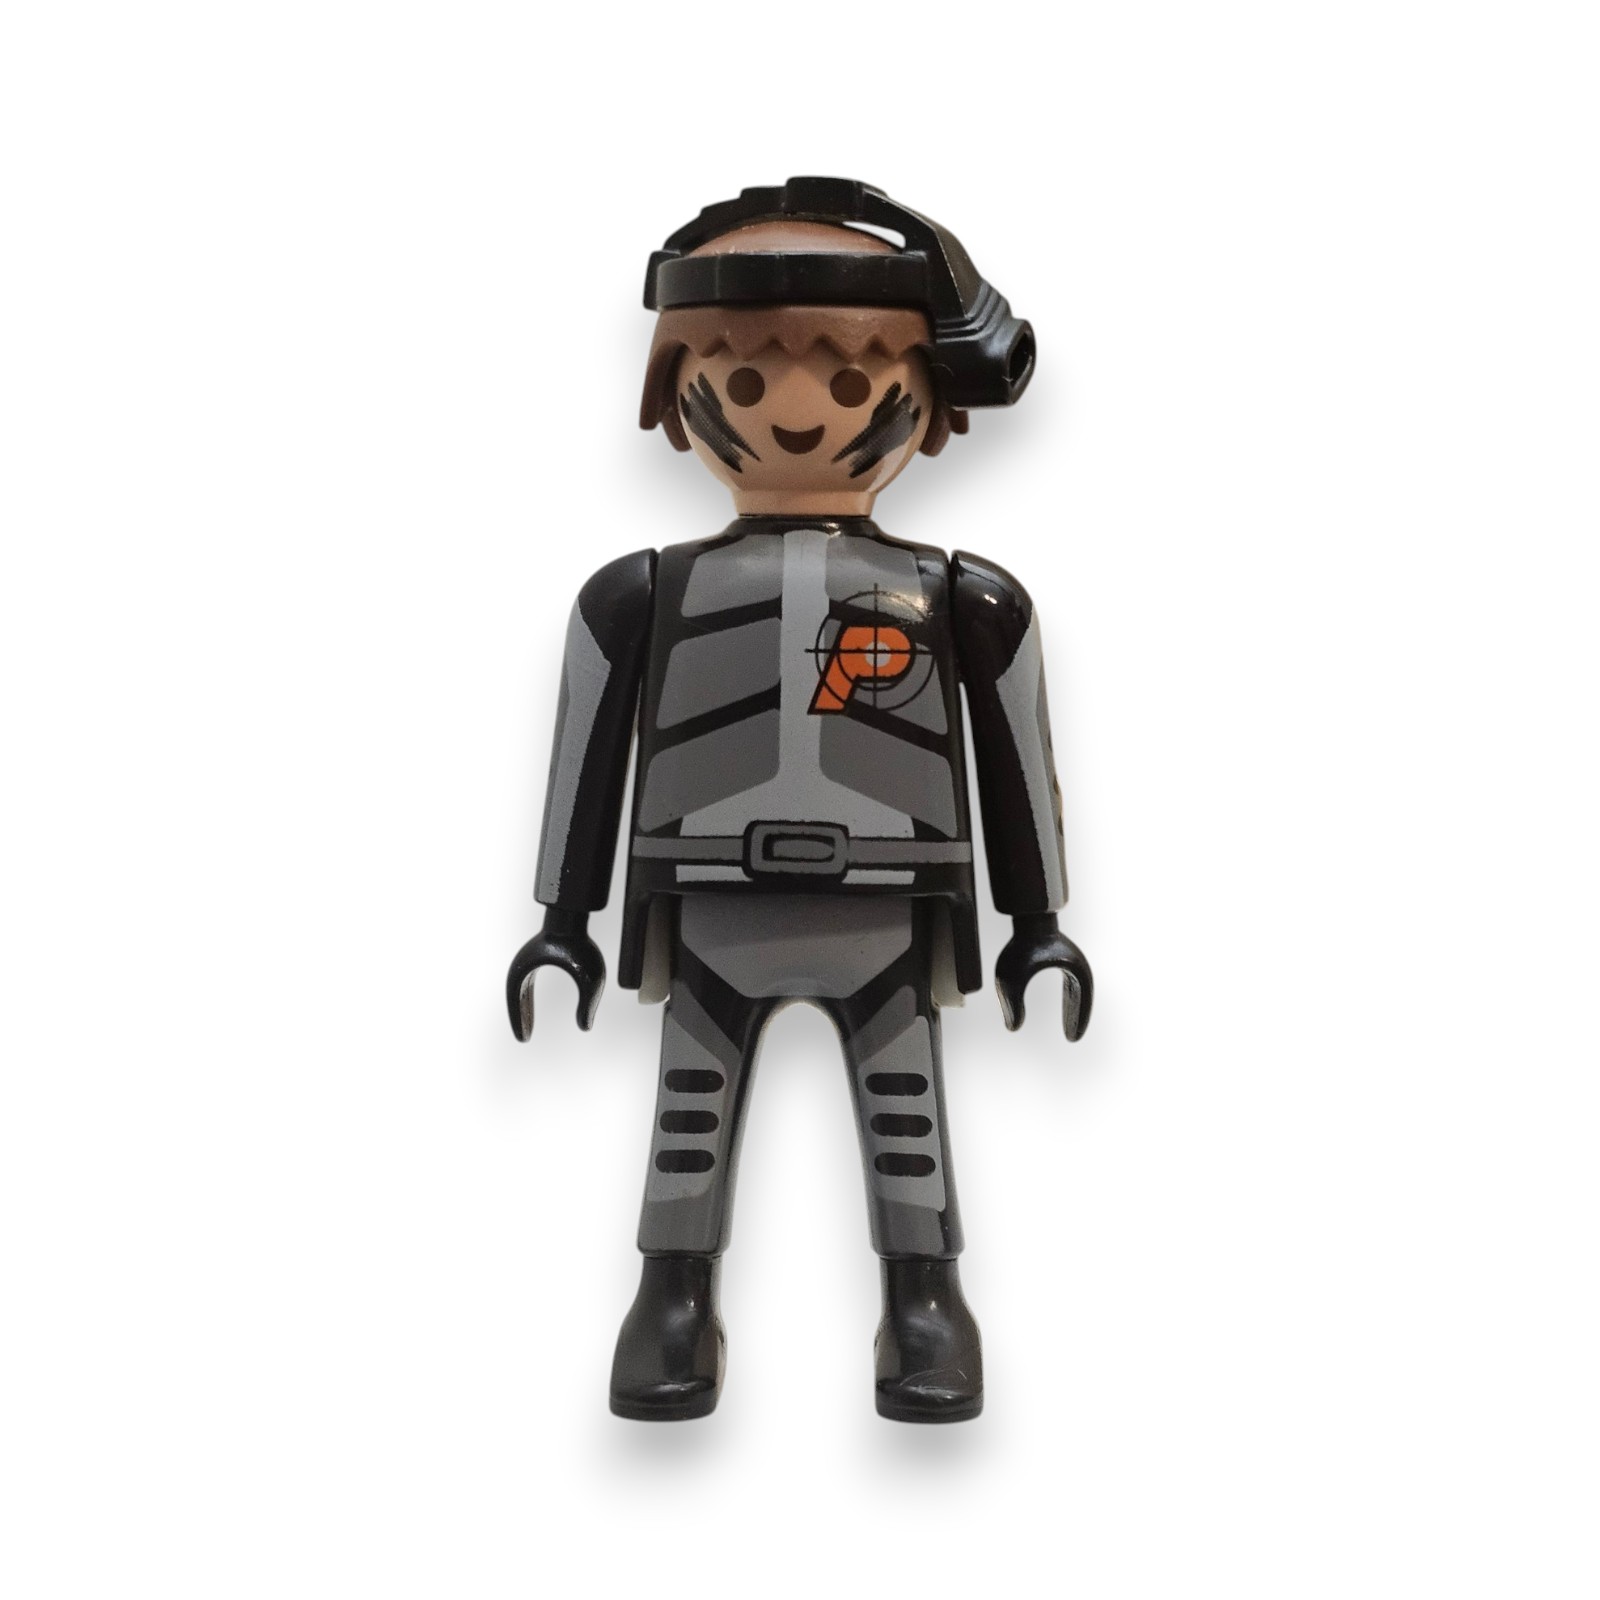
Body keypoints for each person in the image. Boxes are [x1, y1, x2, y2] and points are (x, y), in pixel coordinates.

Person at [506, 178, 1093, 1423]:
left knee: (904, 1114)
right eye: (744, 374)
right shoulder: (636, 597)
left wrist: (1038, 920)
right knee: (689, 1113)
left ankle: (924, 1304)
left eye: (848, 378)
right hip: (708, 889)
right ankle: (672, 1300)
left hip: (889, 896)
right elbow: (586, 756)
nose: (793, 412)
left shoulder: (964, 599)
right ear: (675, 389)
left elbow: (1012, 758)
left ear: (930, 395)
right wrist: (561, 918)